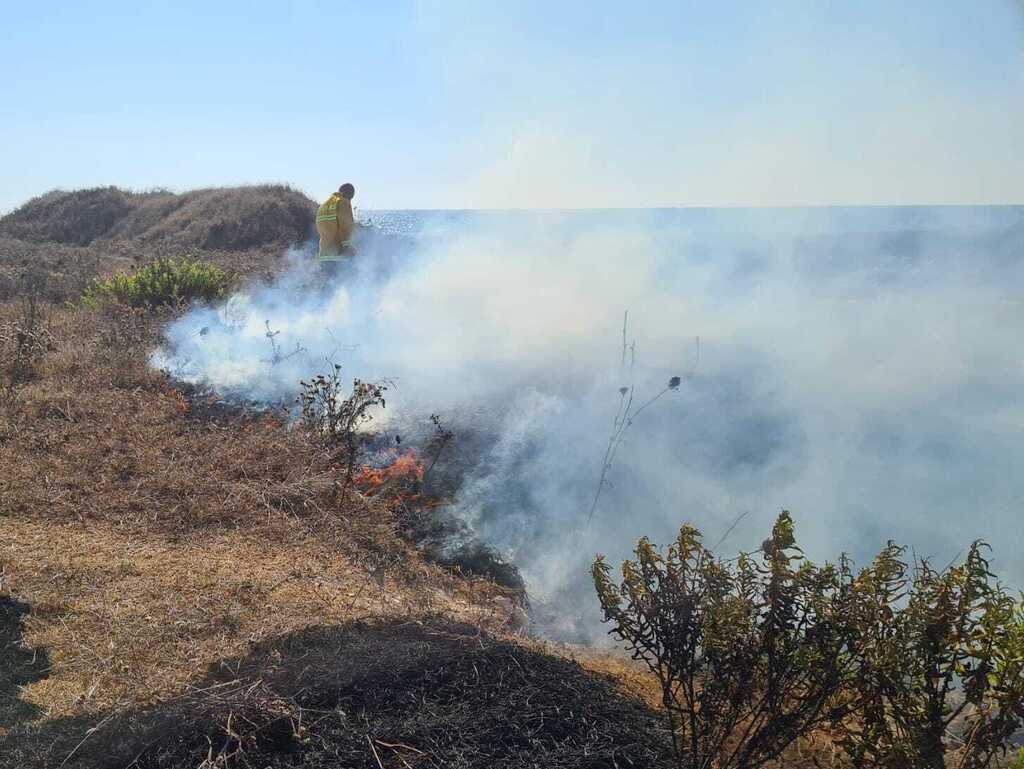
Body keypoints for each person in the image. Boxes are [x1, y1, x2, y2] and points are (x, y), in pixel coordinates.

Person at [316, 183, 356, 272]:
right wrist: (347, 246)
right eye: (351, 197)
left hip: (324, 254)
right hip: (339, 256)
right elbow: (345, 227)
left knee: (329, 284)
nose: (350, 200)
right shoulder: (343, 202)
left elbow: (320, 229)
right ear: (349, 194)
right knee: (345, 284)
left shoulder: (324, 205)